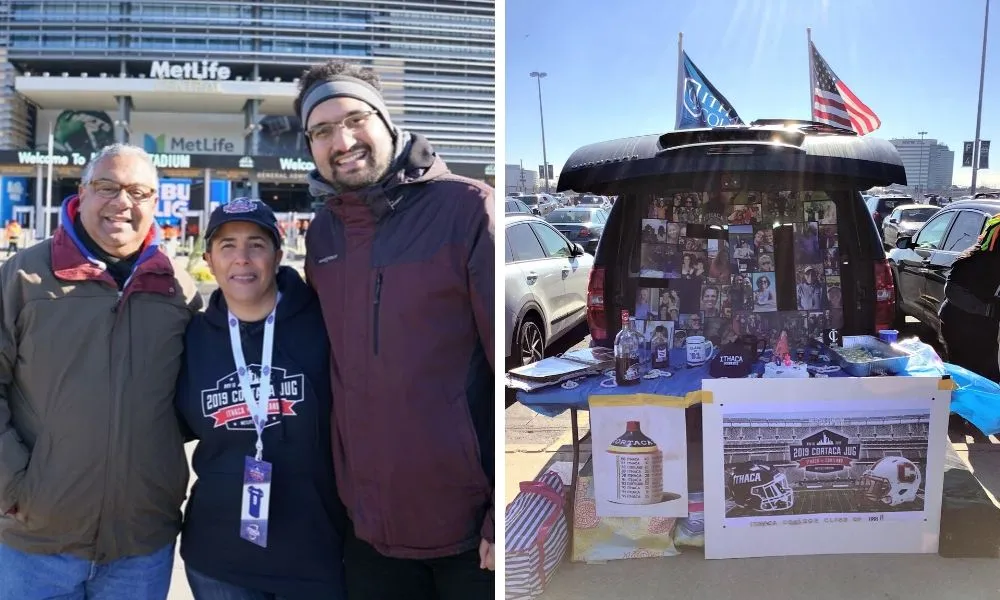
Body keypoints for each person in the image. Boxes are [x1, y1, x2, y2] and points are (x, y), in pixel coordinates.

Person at [296, 60, 494, 598]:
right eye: (321, 131)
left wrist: (500, 511)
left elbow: (508, 370)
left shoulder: (467, 208)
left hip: (466, 535)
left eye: (355, 119)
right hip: (368, 532)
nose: (342, 141)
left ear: (386, 121)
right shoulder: (323, 234)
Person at [0, 143, 202, 598]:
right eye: (107, 187)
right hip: (36, 542)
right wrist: (12, 486)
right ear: (82, 193)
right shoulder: (23, 277)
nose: (122, 203)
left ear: (155, 202)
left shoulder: (177, 289)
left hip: (140, 545)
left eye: (138, 191)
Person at [175, 199, 346, 599]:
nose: (242, 259)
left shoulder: (324, 323)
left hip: (316, 557)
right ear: (209, 259)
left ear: (278, 254)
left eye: (256, 244)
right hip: (219, 562)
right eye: (227, 246)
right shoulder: (191, 338)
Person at [940, 214, 1000, 381]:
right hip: (959, 324)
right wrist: (988, 309)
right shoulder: (975, 258)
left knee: (988, 377)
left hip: (982, 325)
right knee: (967, 376)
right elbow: (951, 290)